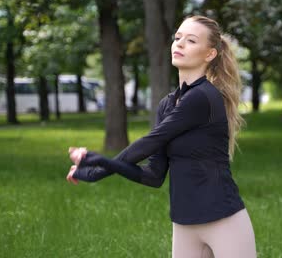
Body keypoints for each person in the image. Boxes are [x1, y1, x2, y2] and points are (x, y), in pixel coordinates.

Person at [66, 15, 257, 258]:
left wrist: (97, 166)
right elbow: (153, 175)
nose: (179, 44)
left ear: (209, 54)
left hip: (224, 220)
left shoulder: (204, 97)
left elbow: (152, 141)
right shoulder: (167, 104)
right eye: (177, 38)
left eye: (190, 40)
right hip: (184, 223)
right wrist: (99, 165)